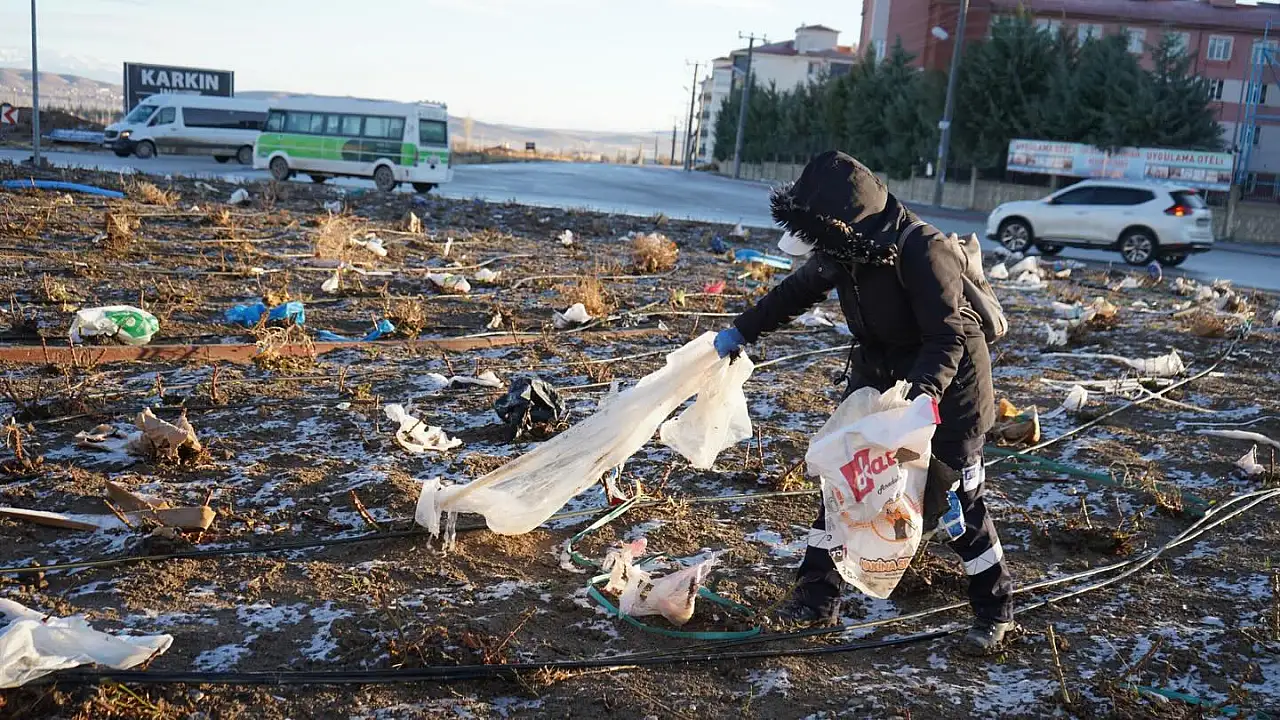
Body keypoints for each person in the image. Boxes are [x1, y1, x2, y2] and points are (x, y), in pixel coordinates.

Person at [714, 150, 1014, 653]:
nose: (819, 252)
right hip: (880, 382)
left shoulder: (922, 249)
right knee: (845, 485)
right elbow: (795, 291)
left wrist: (922, 398)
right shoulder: (844, 249)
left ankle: (994, 610)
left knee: (958, 502)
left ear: (845, 224)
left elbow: (947, 338)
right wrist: (741, 331)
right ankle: (816, 600)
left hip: (949, 393)